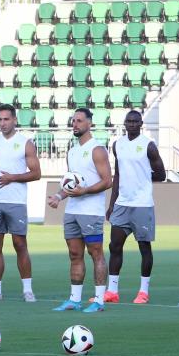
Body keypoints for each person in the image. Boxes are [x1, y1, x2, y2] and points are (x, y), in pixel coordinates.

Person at [48, 108, 113, 312]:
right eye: (73, 120)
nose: (74, 124)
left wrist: (85, 190)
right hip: (72, 211)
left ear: (89, 124)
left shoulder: (97, 149)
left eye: (79, 121)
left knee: (96, 254)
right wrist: (59, 196)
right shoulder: (72, 151)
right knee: (75, 254)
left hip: (91, 212)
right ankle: (74, 300)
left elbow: (108, 181)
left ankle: (99, 300)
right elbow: (70, 184)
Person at [0, 104, 42, 302]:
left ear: (14, 120)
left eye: (6, 119)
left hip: (16, 202)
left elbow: (36, 173)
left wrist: (12, 177)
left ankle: (27, 290)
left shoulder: (25, 143)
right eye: (0, 119)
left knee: (20, 244)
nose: (2, 123)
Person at [104, 110, 166, 304]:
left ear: (141, 124)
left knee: (144, 247)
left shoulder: (148, 146)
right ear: (124, 123)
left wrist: (143, 177)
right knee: (114, 246)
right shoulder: (118, 145)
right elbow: (118, 175)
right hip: (122, 203)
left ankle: (143, 292)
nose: (131, 124)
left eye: (135, 121)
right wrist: (111, 204)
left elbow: (161, 175)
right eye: (128, 121)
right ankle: (112, 291)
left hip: (142, 205)